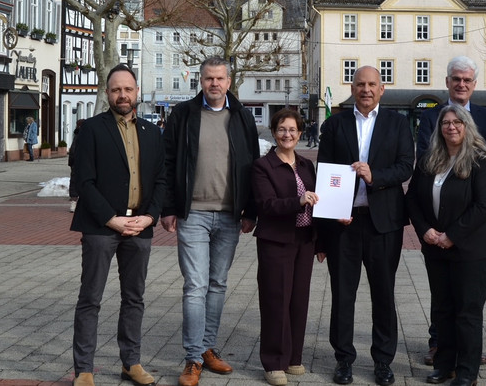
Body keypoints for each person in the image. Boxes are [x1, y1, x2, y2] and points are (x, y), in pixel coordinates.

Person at [161, 56, 261, 386]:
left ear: (230, 82)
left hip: (230, 215)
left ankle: (207, 349)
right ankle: (192, 358)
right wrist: (168, 208)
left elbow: (252, 165)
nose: (214, 84)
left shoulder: (243, 117)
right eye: (208, 78)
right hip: (194, 214)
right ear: (200, 81)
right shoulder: (183, 114)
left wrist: (250, 210)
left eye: (220, 78)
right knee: (196, 285)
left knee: (217, 284)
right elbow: (168, 160)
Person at [316, 65, 414, 386]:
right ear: (352, 87)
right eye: (360, 84)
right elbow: (325, 171)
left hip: (383, 224)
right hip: (343, 223)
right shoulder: (334, 123)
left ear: (382, 89)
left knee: (383, 295)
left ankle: (383, 361)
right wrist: (333, 211)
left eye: (372, 84)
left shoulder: (398, 124)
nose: (366, 90)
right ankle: (344, 359)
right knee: (343, 295)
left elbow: (404, 167)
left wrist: (375, 177)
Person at [70, 64, 166, 386]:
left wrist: (150, 217)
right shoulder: (92, 130)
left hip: (140, 226)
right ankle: (84, 369)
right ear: (108, 93)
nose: (122, 95)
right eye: (116, 89)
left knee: (134, 298)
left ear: (137, 92)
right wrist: (111, 219)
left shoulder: (152, 133)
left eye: (128, 89)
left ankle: (131, 363)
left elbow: (161, 181)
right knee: (91, 298)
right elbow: (83, 180)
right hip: (102, 227)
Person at [414, 56, 486, 366]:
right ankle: (440, 346)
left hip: (469, 226)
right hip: (436, 222)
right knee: (442, 300)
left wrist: (460, 225)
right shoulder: (432, 116)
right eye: (456, 79)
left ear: (474, 84)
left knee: (467, 301)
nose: (461, 84)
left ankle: (468, 352)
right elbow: (426, 163)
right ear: (448, 82)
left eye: (467, 80)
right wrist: (430, 227)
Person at [251, 109, 320, 386]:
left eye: (292, 130)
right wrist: (299, 200)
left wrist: (322, 242)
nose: (287, 135)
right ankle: (273, 362)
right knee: (276, 300)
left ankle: (293, 357)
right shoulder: (263, 166)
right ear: (274, 132)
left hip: (304, 240)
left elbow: (319, 203)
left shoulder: (306, 165)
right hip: (276, 241)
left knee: (298, 300)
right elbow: (266, 205)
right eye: (281, 129)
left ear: (300, 133)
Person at [68, 119, 86, 213]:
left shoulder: (77, 135)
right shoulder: (85, 135)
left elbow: (72, 151)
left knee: (74, 182)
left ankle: (74, 203)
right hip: (83, 162)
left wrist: (71, 163)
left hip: (76, 163)